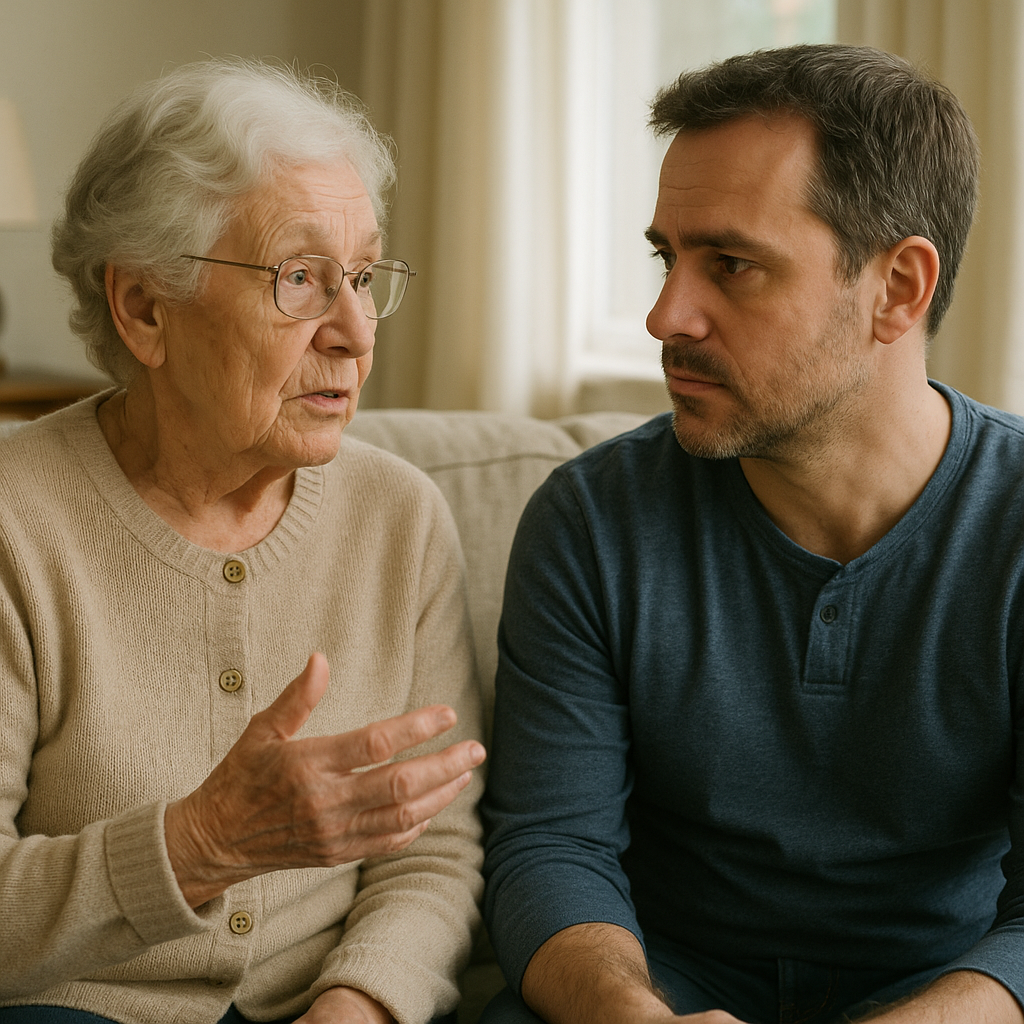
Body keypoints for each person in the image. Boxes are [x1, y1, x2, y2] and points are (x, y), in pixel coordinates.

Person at [480, 43, 1024, 1024]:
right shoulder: (590, 520)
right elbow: (550, 847)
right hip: (663, 988)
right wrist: (627, 1013)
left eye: (730, 265)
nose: (664, 315)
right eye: (665, 256)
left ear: (896, 288)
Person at [0, 59, 486, 1024]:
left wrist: (361, 1002)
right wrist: (200, 843)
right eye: (300, 279)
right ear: (144, 309)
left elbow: (434, 849)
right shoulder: (17, 526)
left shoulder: (401, 517)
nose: (353, 330)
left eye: (362, 277)